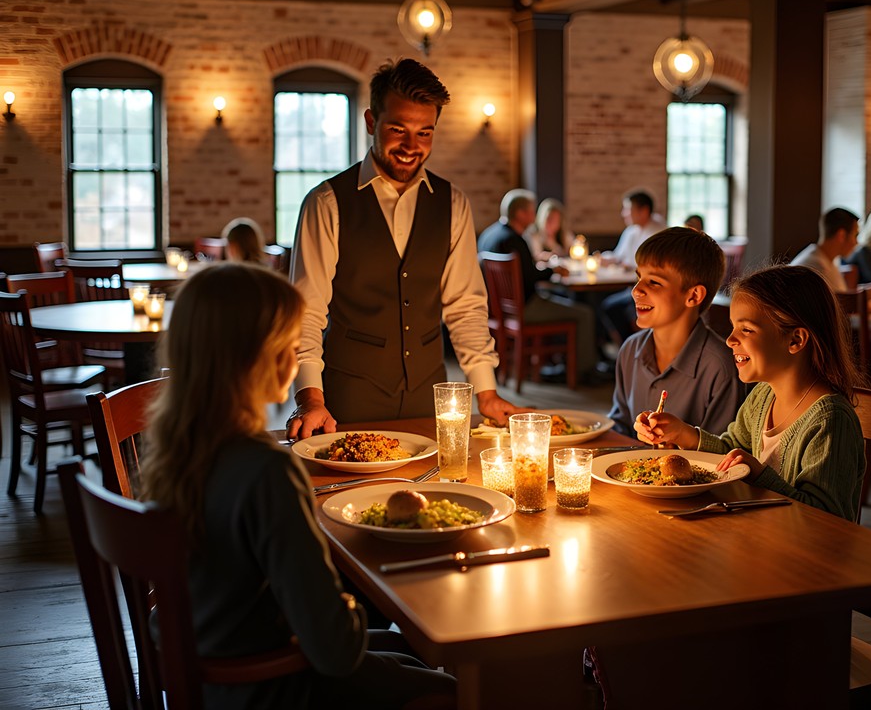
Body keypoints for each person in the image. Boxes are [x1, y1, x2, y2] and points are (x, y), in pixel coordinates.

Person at [141, 263, 457, 709]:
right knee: (454, 691)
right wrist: (346, 599)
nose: (295, 363)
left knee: (404, 646)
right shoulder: (266, 470)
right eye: (290, 347)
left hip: (216, 669)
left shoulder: (176, 454)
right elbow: (336, 651)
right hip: (272, 686)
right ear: (255, 358)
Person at [288, 58, 517, 436]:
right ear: (370, 122)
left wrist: (487, 392)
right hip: (349, 395)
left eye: (425, 133)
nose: (412, 146)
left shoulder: (452, 202)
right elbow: (306, 312)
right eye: (398, 129)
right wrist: (310, 397)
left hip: (430, 394)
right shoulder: (326, 202)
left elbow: (466, 306)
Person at [634, 264, 866, 521]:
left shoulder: (829, 421)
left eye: (746, 329)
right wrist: (683, 433)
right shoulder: (763, 395)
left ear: (795, 340)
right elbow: (732, 450)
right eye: (733, 327)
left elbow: (826, 519)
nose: (730, 340)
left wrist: (758, 474)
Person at [608, 227, 744, 436]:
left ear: (694, 296)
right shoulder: (630, 349)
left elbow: (721, 453)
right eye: (639, 277)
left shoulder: (720, 367)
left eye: (654, 281)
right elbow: (620, 426)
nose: (636, 290)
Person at [477, 189, 601, 382]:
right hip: (525, 308)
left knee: (562, 303)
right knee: (584, 314)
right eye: (532, 211)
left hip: (497, 308)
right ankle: (584, 372)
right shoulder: (514, 240)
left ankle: (560, 363)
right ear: (520, 214)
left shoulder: (489, 234)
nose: (535, 216)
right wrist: (553, 270)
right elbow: (530, 277)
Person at [790, 206, 871, 314]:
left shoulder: (822, 257)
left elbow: (844, 296)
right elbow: (841, 309)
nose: (856, 243)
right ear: (841, 235)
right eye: (855, 235)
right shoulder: (818, 266)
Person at [600, 189, 667, 344]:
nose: (624, 213)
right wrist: (607, 259)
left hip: (652, 291)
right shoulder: (631, 230)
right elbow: (619, 256)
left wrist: (624, 265)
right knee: (606, 305)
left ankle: (632, 347)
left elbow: (654, 267)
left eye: (627, 209)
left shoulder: (659, 233)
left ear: (643, 211)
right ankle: (626, 348)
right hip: (631, 286)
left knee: (612, 306)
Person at [524, 197, 573, 263]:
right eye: (549, 219)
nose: (552, 224)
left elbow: (574, 248)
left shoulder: (563, 234)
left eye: (556, 220)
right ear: (542, 219)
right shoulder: (533, 234)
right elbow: (536, 256)